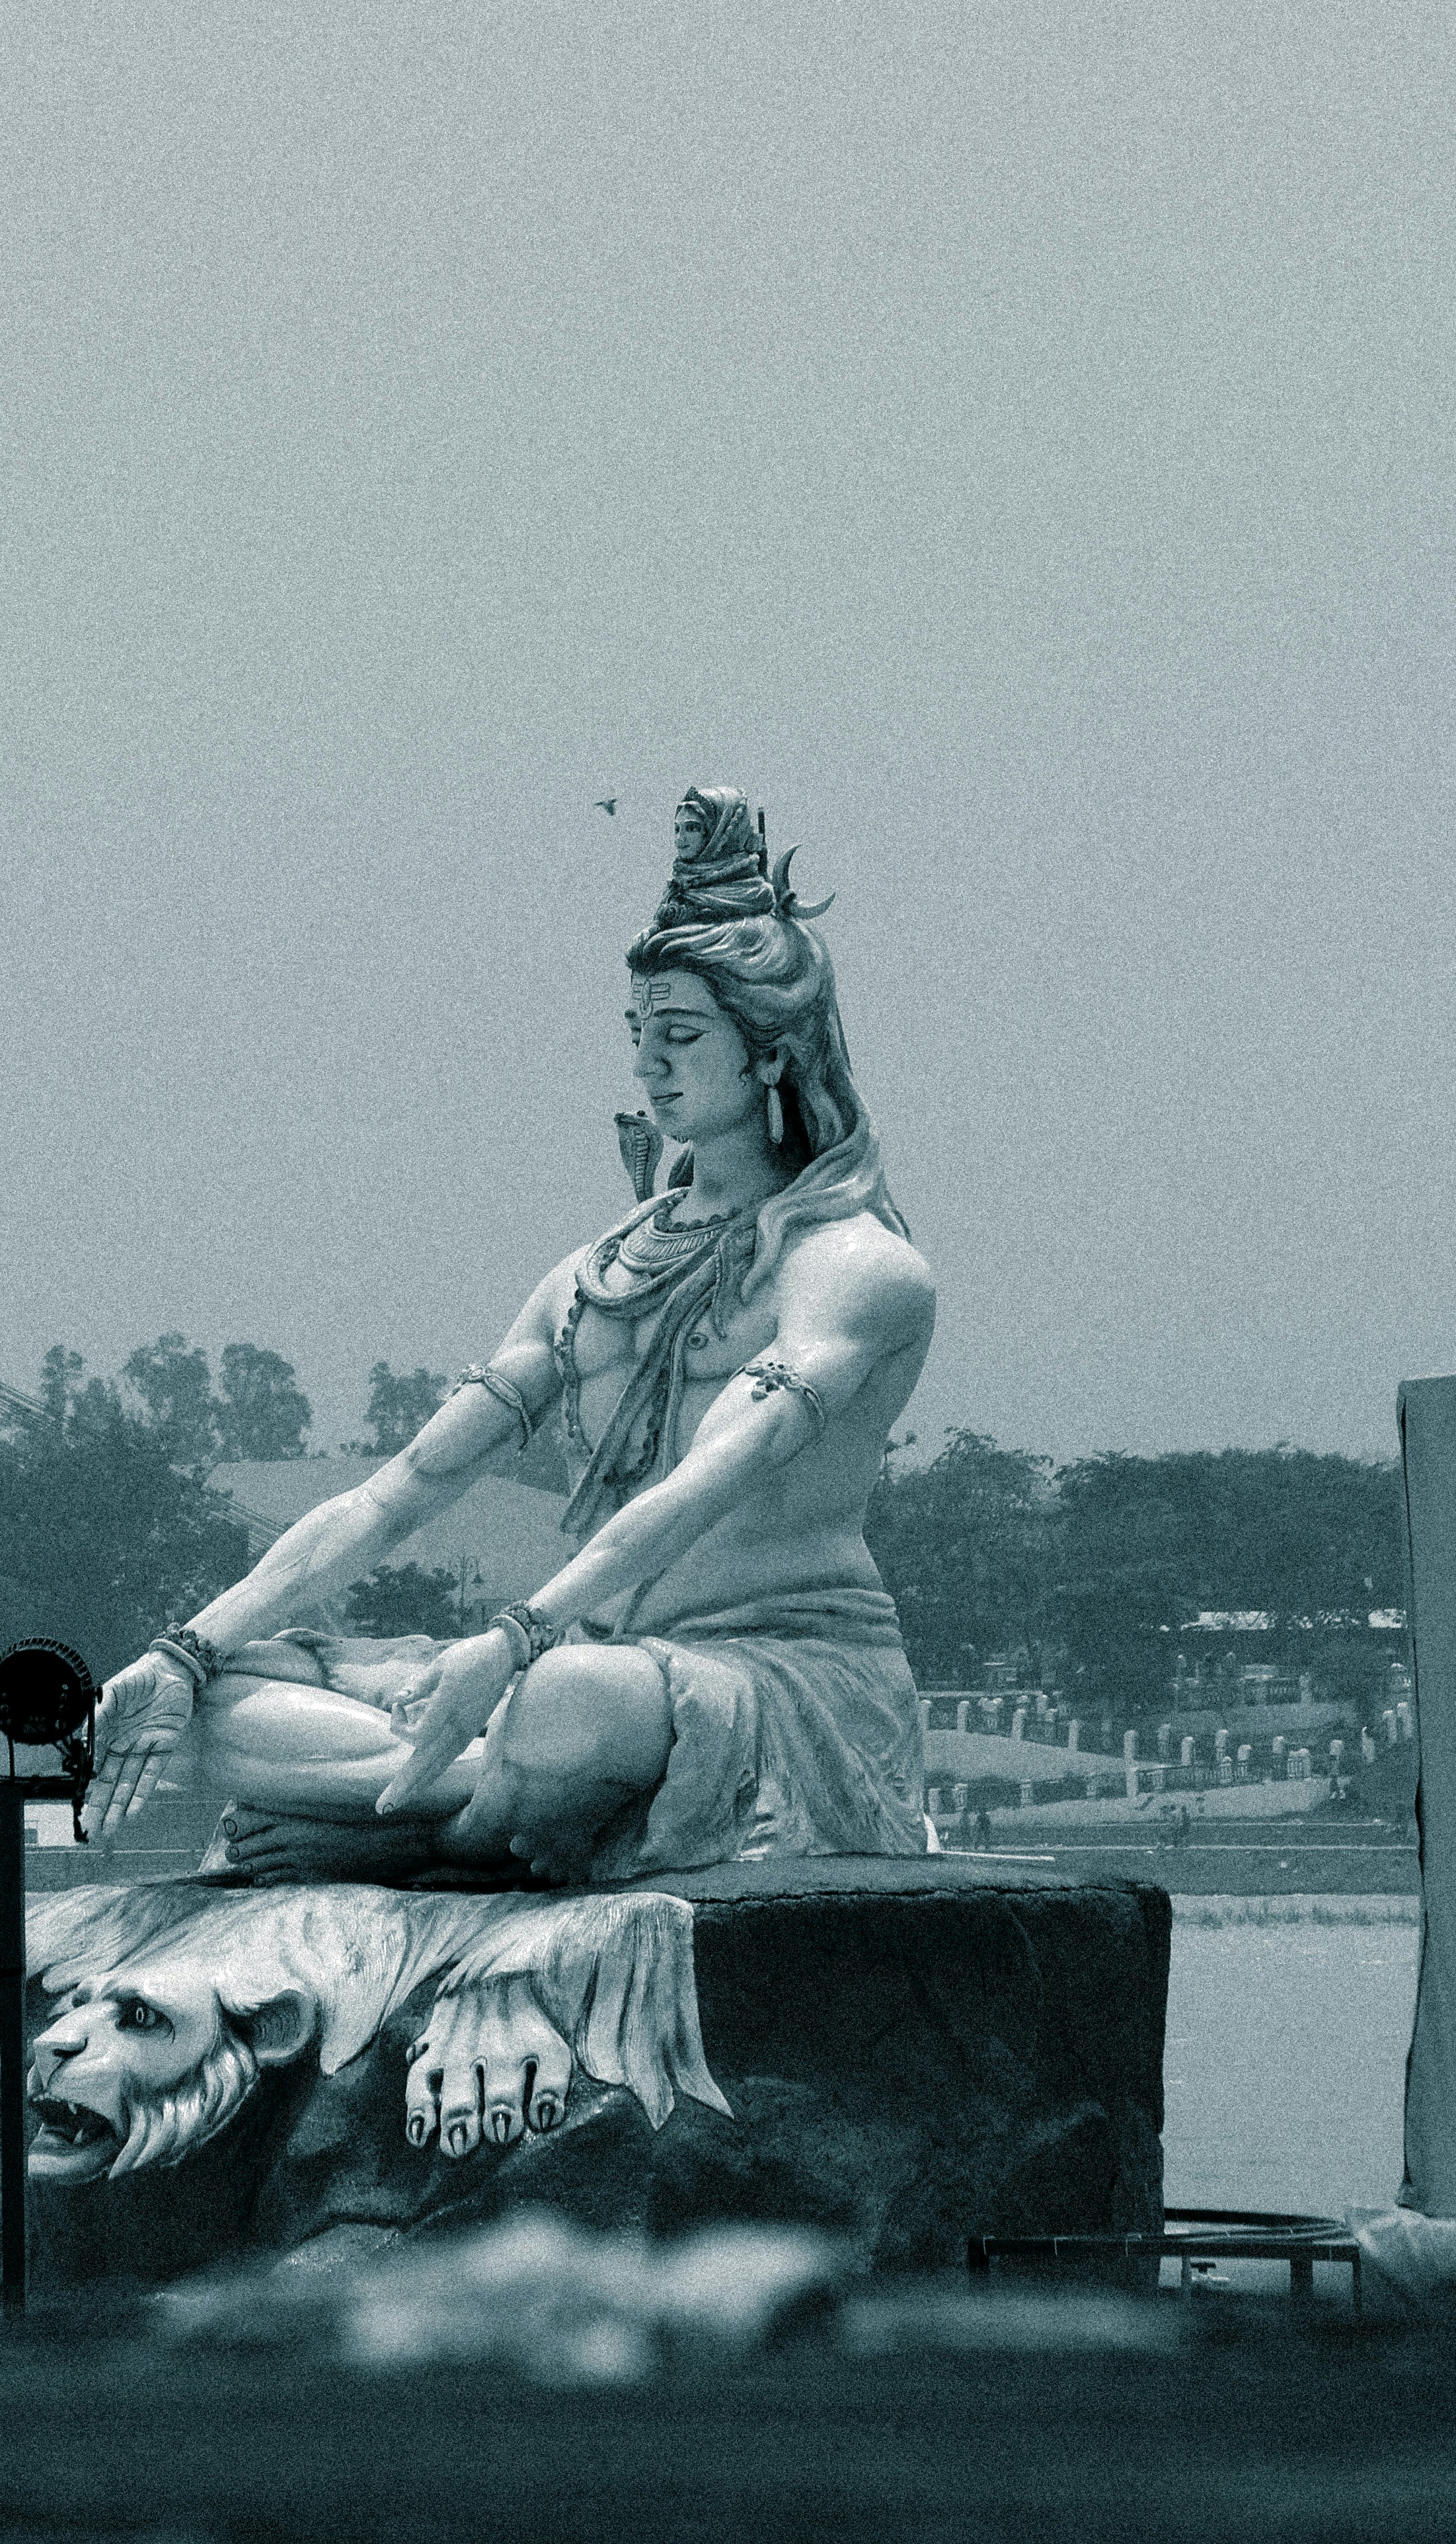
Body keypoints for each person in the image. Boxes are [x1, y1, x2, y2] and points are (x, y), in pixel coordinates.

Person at [83, 789, 935, 1889]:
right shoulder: (595, 1273)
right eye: (639, 1036)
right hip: (580, 1654)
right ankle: (477, 1798)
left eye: (681, 1037)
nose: (649, 1067)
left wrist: (514, 1641)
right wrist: (183, 1652)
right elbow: (401, 1490)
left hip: (766, 1674)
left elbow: (708, 1481)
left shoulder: (852, 1263)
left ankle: (420, 1833)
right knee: (215, 1704)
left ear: (771, 1054)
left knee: (567, 1705)